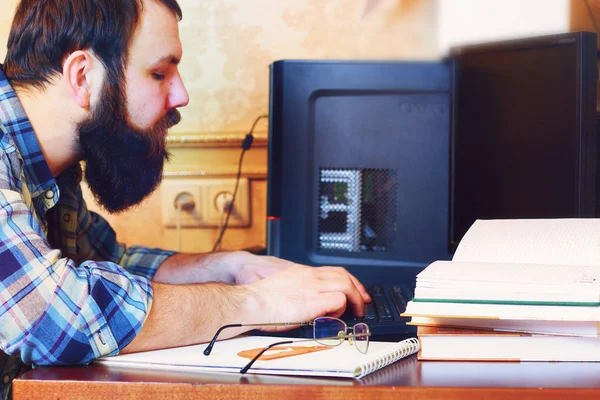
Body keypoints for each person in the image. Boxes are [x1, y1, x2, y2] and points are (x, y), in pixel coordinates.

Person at [0, 0, 371, 398]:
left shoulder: (54, 173)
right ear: (82, 76)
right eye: (159, 72)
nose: (181, 95)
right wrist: (258, 302)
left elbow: (111, 261)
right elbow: (56, 318)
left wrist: (231, 267)